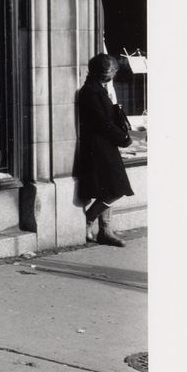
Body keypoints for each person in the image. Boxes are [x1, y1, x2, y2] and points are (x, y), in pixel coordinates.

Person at [74, 53, 133, 247]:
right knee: (116, 189)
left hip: (105, 146)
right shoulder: (91, 91)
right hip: (100, 148)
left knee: (108, 189)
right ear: (105, 72)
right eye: (113, 71)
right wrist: (122, 137)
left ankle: (105, 231)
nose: (115, 74)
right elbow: (102, 122)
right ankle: (90, 218)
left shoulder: (98, 89)